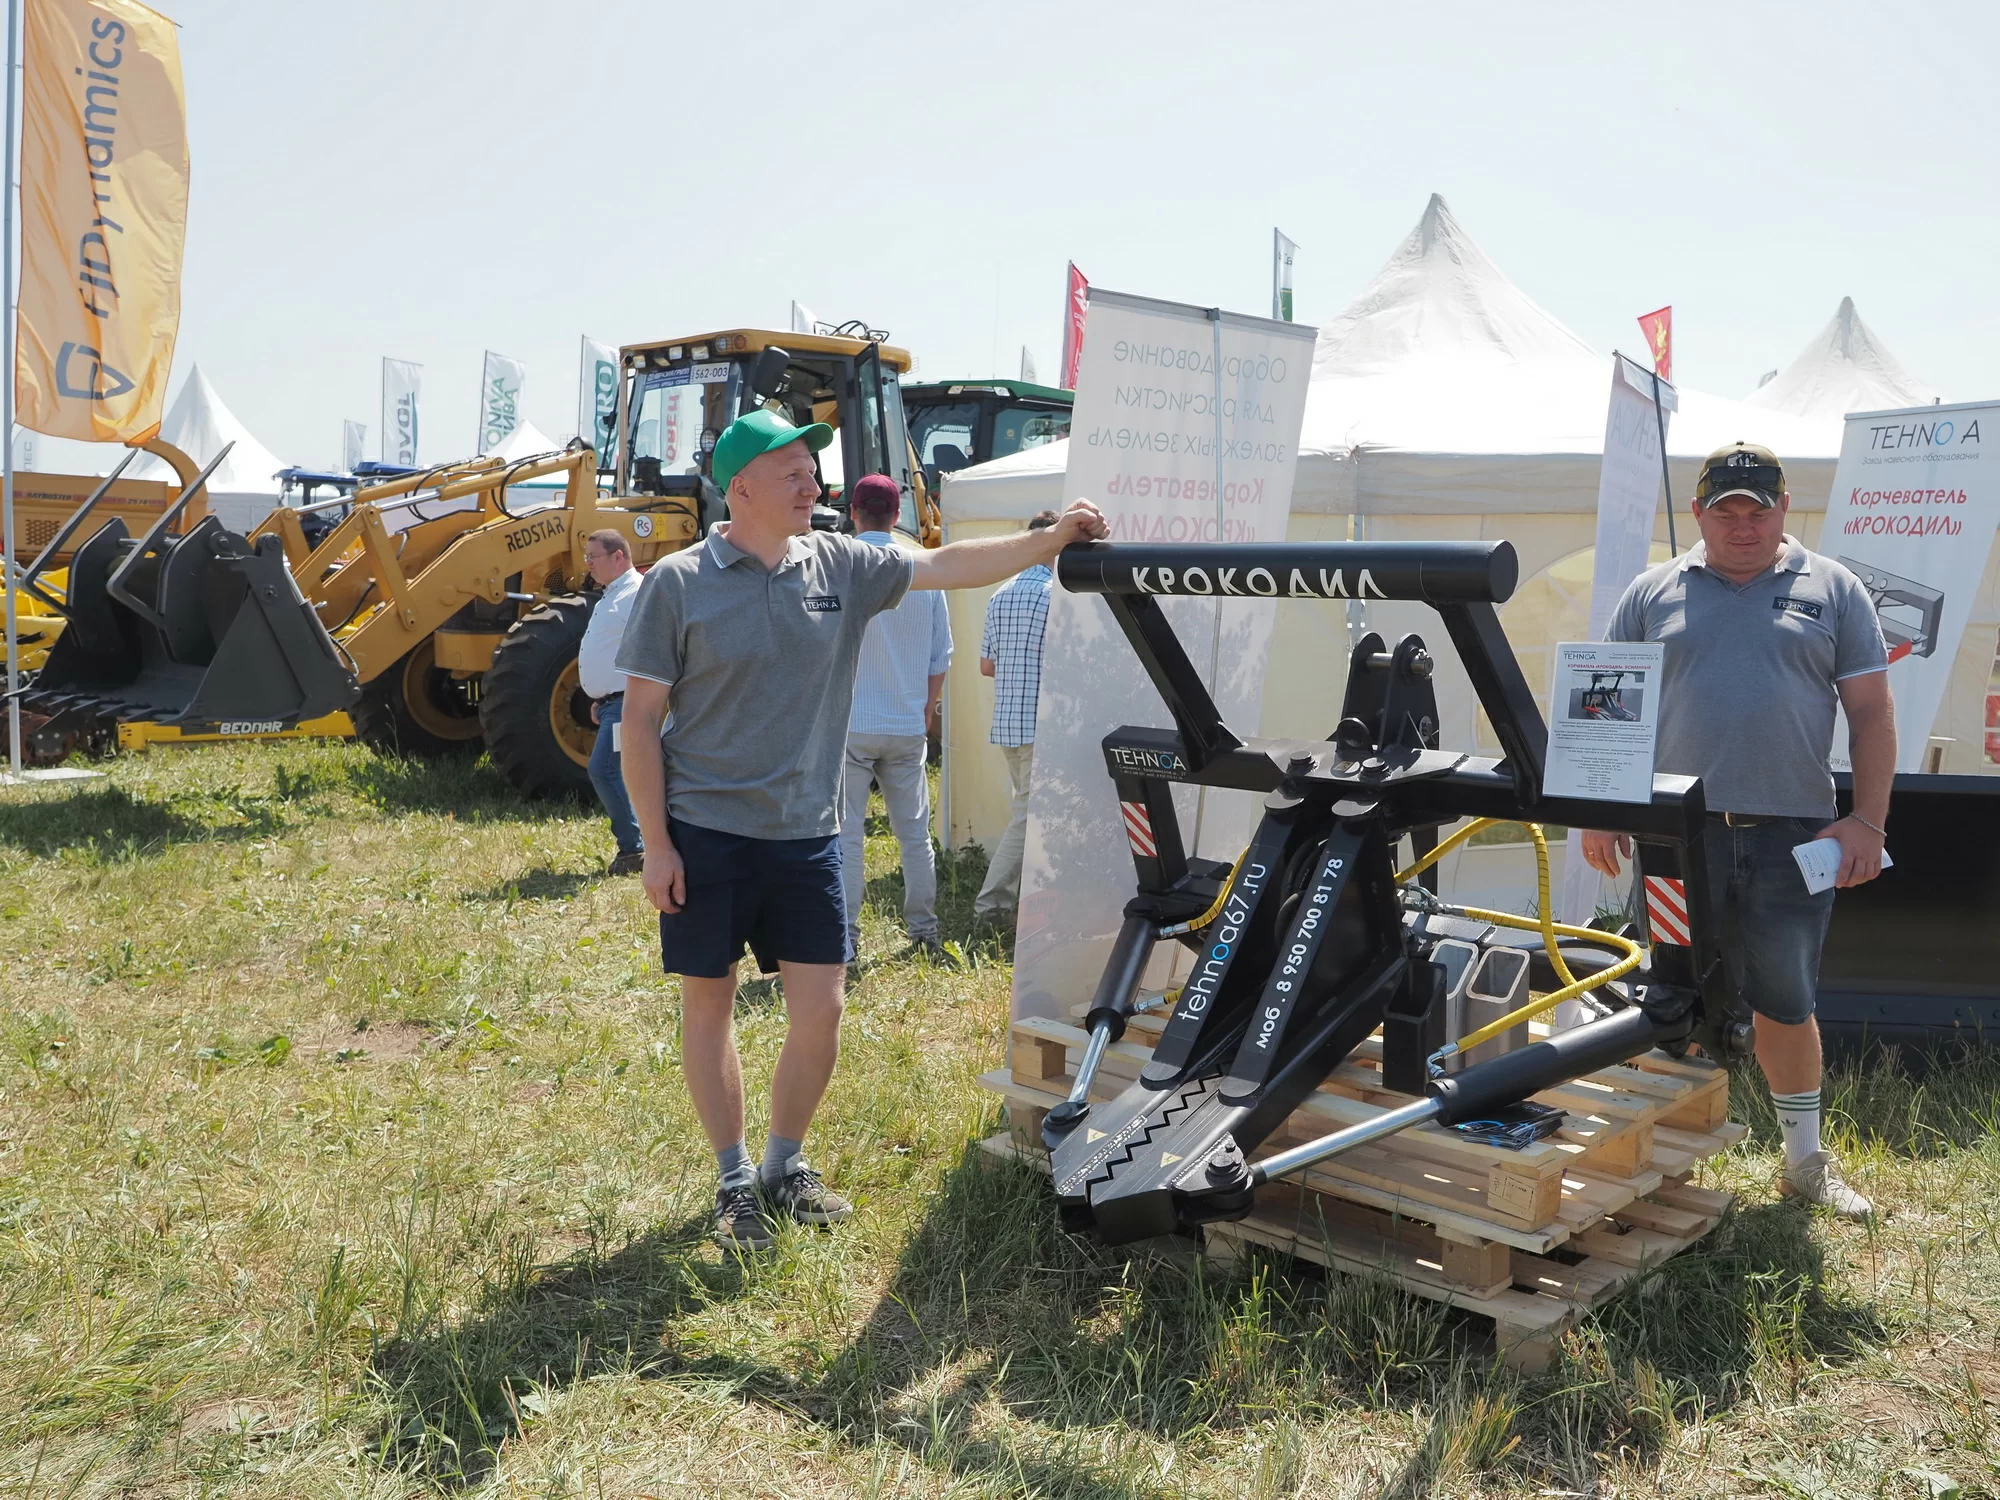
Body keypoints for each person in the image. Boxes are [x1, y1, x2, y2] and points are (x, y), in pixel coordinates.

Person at [617, 408, 1107, 1251]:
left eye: (814, 471)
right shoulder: (678, 582)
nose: (812, 484)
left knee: (823, 1009)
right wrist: (656, 844)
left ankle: (784, 1165)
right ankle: (734, 1181)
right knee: (710, 1009)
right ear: (740, 487)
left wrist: (1048, 542)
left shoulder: (840, 561)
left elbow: (946, 564)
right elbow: (638, 720)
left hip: (809, 832)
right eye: (793, 472)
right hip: (707, 833)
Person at [1581, 441, 1895, 1219]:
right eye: (1727, 511)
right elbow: (1606, 707)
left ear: (1784, 510)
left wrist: (1867, 821)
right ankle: (1669, 1166)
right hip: (1675, 841)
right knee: (1673, 994)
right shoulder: (1651, 592)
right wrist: (1600, 808)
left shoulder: (1835, 589)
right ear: (1699, 513)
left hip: (1794, 838)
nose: (1744, 526)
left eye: (1759, 510)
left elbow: (1870, 713)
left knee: (1785, 999)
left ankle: (1804, 1164)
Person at [840, 473, 952, 959]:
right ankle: (923, 930)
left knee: (848, 838)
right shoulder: (922, 568)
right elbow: (941, 656)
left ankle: (847, 937)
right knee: (914, 837)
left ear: (853, 513)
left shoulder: (840, 566)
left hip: (851, 722)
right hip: (906, 722)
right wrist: (926, 709)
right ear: (898, 514)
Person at [972, 510, 1061, 925]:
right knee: (1028, 819)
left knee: (1027, 814)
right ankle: (991, 905)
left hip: (1008, 720)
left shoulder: (1000, 594)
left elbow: (986, 666)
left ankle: (1027, 901)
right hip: (1040, 723)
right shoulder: (1056, 595)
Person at [576, 529, 645, 876]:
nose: (588, 564)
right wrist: (602, 697)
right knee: (618, 771)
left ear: (618, 557)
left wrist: (621, 696)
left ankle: (634, 849)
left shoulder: (635, 594)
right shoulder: (613, 594)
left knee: (603, 769)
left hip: (627, 702)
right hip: (612, 702)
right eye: (586, 556)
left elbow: (650, 650)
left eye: (593, 556)